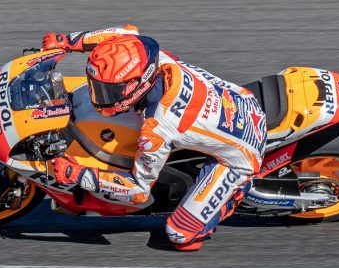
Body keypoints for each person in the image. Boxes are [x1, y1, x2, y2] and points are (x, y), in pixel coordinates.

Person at [41, 25, 267, 251]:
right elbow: (124, 33)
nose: (97, 96)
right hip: (239, 98)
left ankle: (237, 190)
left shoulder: (157, 128)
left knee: (180, 235)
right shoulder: (150, 56)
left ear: (136, 86)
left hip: (242, 152)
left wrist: (80, 174)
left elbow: (139, 190)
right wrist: (67, 41)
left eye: (107, 91)